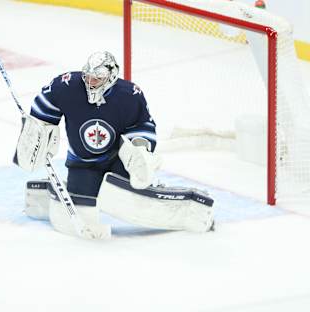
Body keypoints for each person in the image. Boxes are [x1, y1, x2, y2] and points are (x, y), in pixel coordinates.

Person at [16, 51, 214, 238]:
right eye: (87, 76)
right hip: (82, 162)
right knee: (84, 201)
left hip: (117, 161)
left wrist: (140, 148)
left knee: (128, 197)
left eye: (97, 78)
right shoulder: (67, 85)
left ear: (111, 76)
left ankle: (154, 190)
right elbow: (45, 106)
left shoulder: (129, 95)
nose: (90, 82)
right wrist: (38, 132)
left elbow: (142, 124)